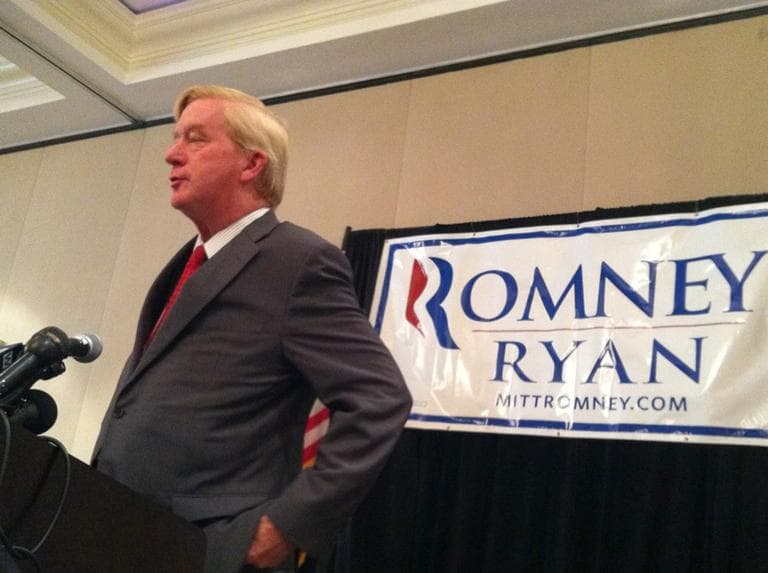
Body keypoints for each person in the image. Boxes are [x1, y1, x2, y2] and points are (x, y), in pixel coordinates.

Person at [92, 85, 412, 572]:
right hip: (120, 527)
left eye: (195, 139)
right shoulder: (189, 262)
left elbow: (380, 399)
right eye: (176, 137)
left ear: (251, 164)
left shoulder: (298, 261)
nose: (171, 154)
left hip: (208, 548)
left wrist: (287, 526)